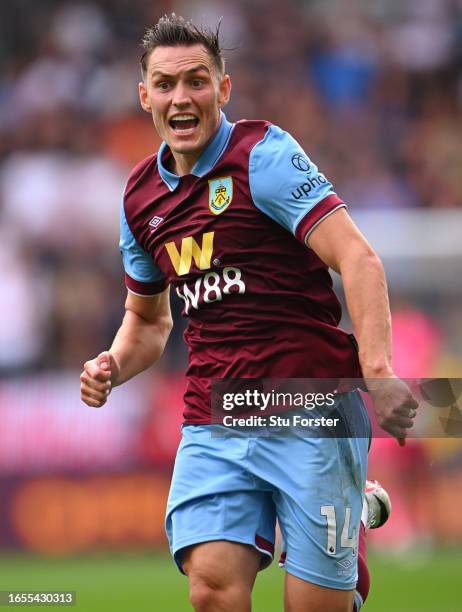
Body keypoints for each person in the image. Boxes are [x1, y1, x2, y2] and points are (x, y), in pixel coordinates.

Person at [80, 14, 418, 612]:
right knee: (210, 590)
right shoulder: (139, 197)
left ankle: (343, 501)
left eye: (197, 81)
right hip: (217, 413)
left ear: (223, 89)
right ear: (145, 97)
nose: (181, 97)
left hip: (311, 404)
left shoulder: (263, 155)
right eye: (165, 84)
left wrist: (380, 370)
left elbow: (359, 260)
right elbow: (150, 322)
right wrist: (112, 363)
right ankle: (346, 500)